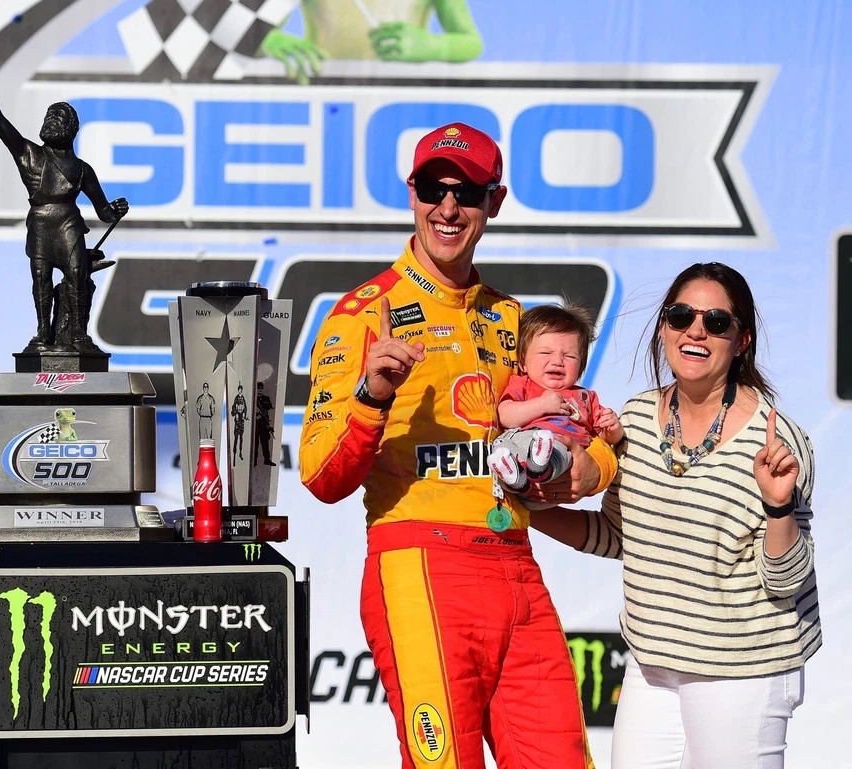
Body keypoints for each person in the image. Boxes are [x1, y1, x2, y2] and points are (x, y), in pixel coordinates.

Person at [300, 123, 618, 769]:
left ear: (493, 202)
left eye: (467, 192)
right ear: (411, 193)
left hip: (515, 561)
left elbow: (582, 428)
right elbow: (320, 477)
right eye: (432, 188)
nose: (448, 207)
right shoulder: (363, 313)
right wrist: (371, 394)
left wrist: (591, 466)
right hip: (420, 563)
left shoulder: (509, 316)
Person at [521, 263, 821, 769]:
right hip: (653, 662)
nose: (696, 330)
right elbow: (616, 536)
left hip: (741, 668)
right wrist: (523, 509)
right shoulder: (634, 418)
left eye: (717, 322)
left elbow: (784, 579)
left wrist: (778, 505)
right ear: (664, 328)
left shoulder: (775, 442)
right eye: (681, 315)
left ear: (742, 340)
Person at [0, 52, 127, 353]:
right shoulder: (30, 155)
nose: (51, 121)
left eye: (58, 118)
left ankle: (78, 334)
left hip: (69, 227)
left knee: (77, 277)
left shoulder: (82, 169)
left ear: (71, 129)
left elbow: (103, 211)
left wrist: (115, 210)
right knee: (41, 282)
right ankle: (42, 335)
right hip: (40, 225)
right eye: (49, 116)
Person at [489, 304, 623, 510]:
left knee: (558, 449)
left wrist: (613, 429)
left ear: (581, 367)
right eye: (545, 352)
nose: (558, 361)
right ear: (523, 362)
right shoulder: (522, 384)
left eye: (569, 356)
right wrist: (541, 405)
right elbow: (505, 415)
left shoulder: (585, 397)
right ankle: (516, 475)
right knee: (505, 447)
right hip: (524, 441)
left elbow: (604, 438)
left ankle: (540, 464)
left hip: (559, 461)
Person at [259, 0, 483, 84]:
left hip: (401, 95)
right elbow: (255, 31)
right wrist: (267, 40)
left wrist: (431, 46)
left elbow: (471, 42)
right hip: (323, 93)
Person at [254, 382, 276, 467]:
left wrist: (269, 423)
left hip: (264, 424)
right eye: (258, 388)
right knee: (255, 444)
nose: (260, 390)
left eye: (261, 388)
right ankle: (254, 461)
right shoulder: (253, 399)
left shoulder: (266, 399)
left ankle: (267, 459)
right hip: (256, 425)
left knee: (265, 443)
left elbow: (270, 411)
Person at [231, 384, 248, 462]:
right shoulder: (236, 398)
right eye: (239, 390)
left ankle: (240, 453)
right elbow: (233, 407)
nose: (240, 391)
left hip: (242, 421)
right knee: (236, 438)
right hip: (237, 421)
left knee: (241, 438)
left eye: (241, 390)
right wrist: (236, 413)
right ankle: (234, 454)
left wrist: (245, 414)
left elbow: (245, 408)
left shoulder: (243, 398)